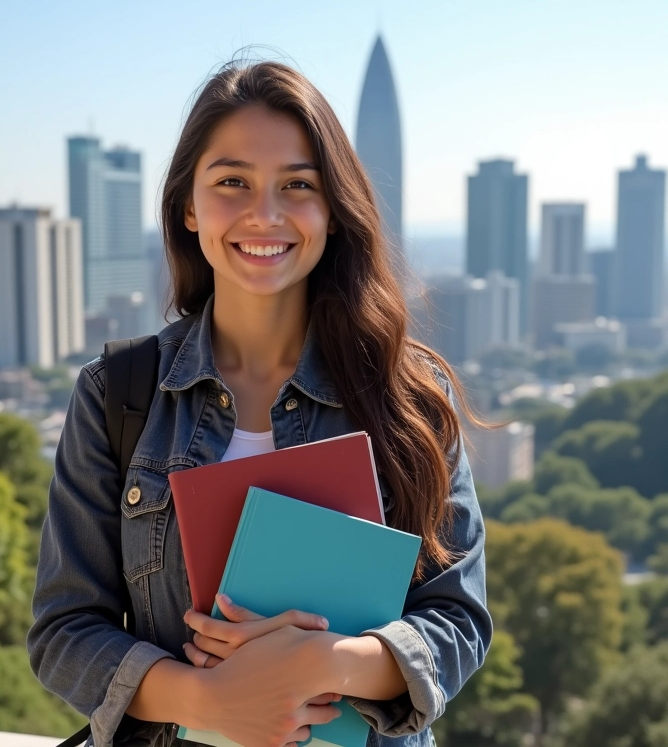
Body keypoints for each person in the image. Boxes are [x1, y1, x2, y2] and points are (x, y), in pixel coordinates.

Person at [28, 59, 492, 747]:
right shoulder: (117, 394)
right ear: (189, 206)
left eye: (297, 185)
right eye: (232, 182)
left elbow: (457, 620)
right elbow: (64, 631)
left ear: (333, 210)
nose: (264, 214)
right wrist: (208, 700)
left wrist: (328, 662)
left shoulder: (409, 395)